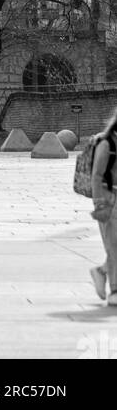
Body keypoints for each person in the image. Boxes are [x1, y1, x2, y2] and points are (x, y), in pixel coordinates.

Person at [90, 106, 117, 305]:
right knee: (114, 246)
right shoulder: (106, 143)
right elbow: (96, 176)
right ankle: (115, 291)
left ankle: (101, 272)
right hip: (108, 199)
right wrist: (100, 204)